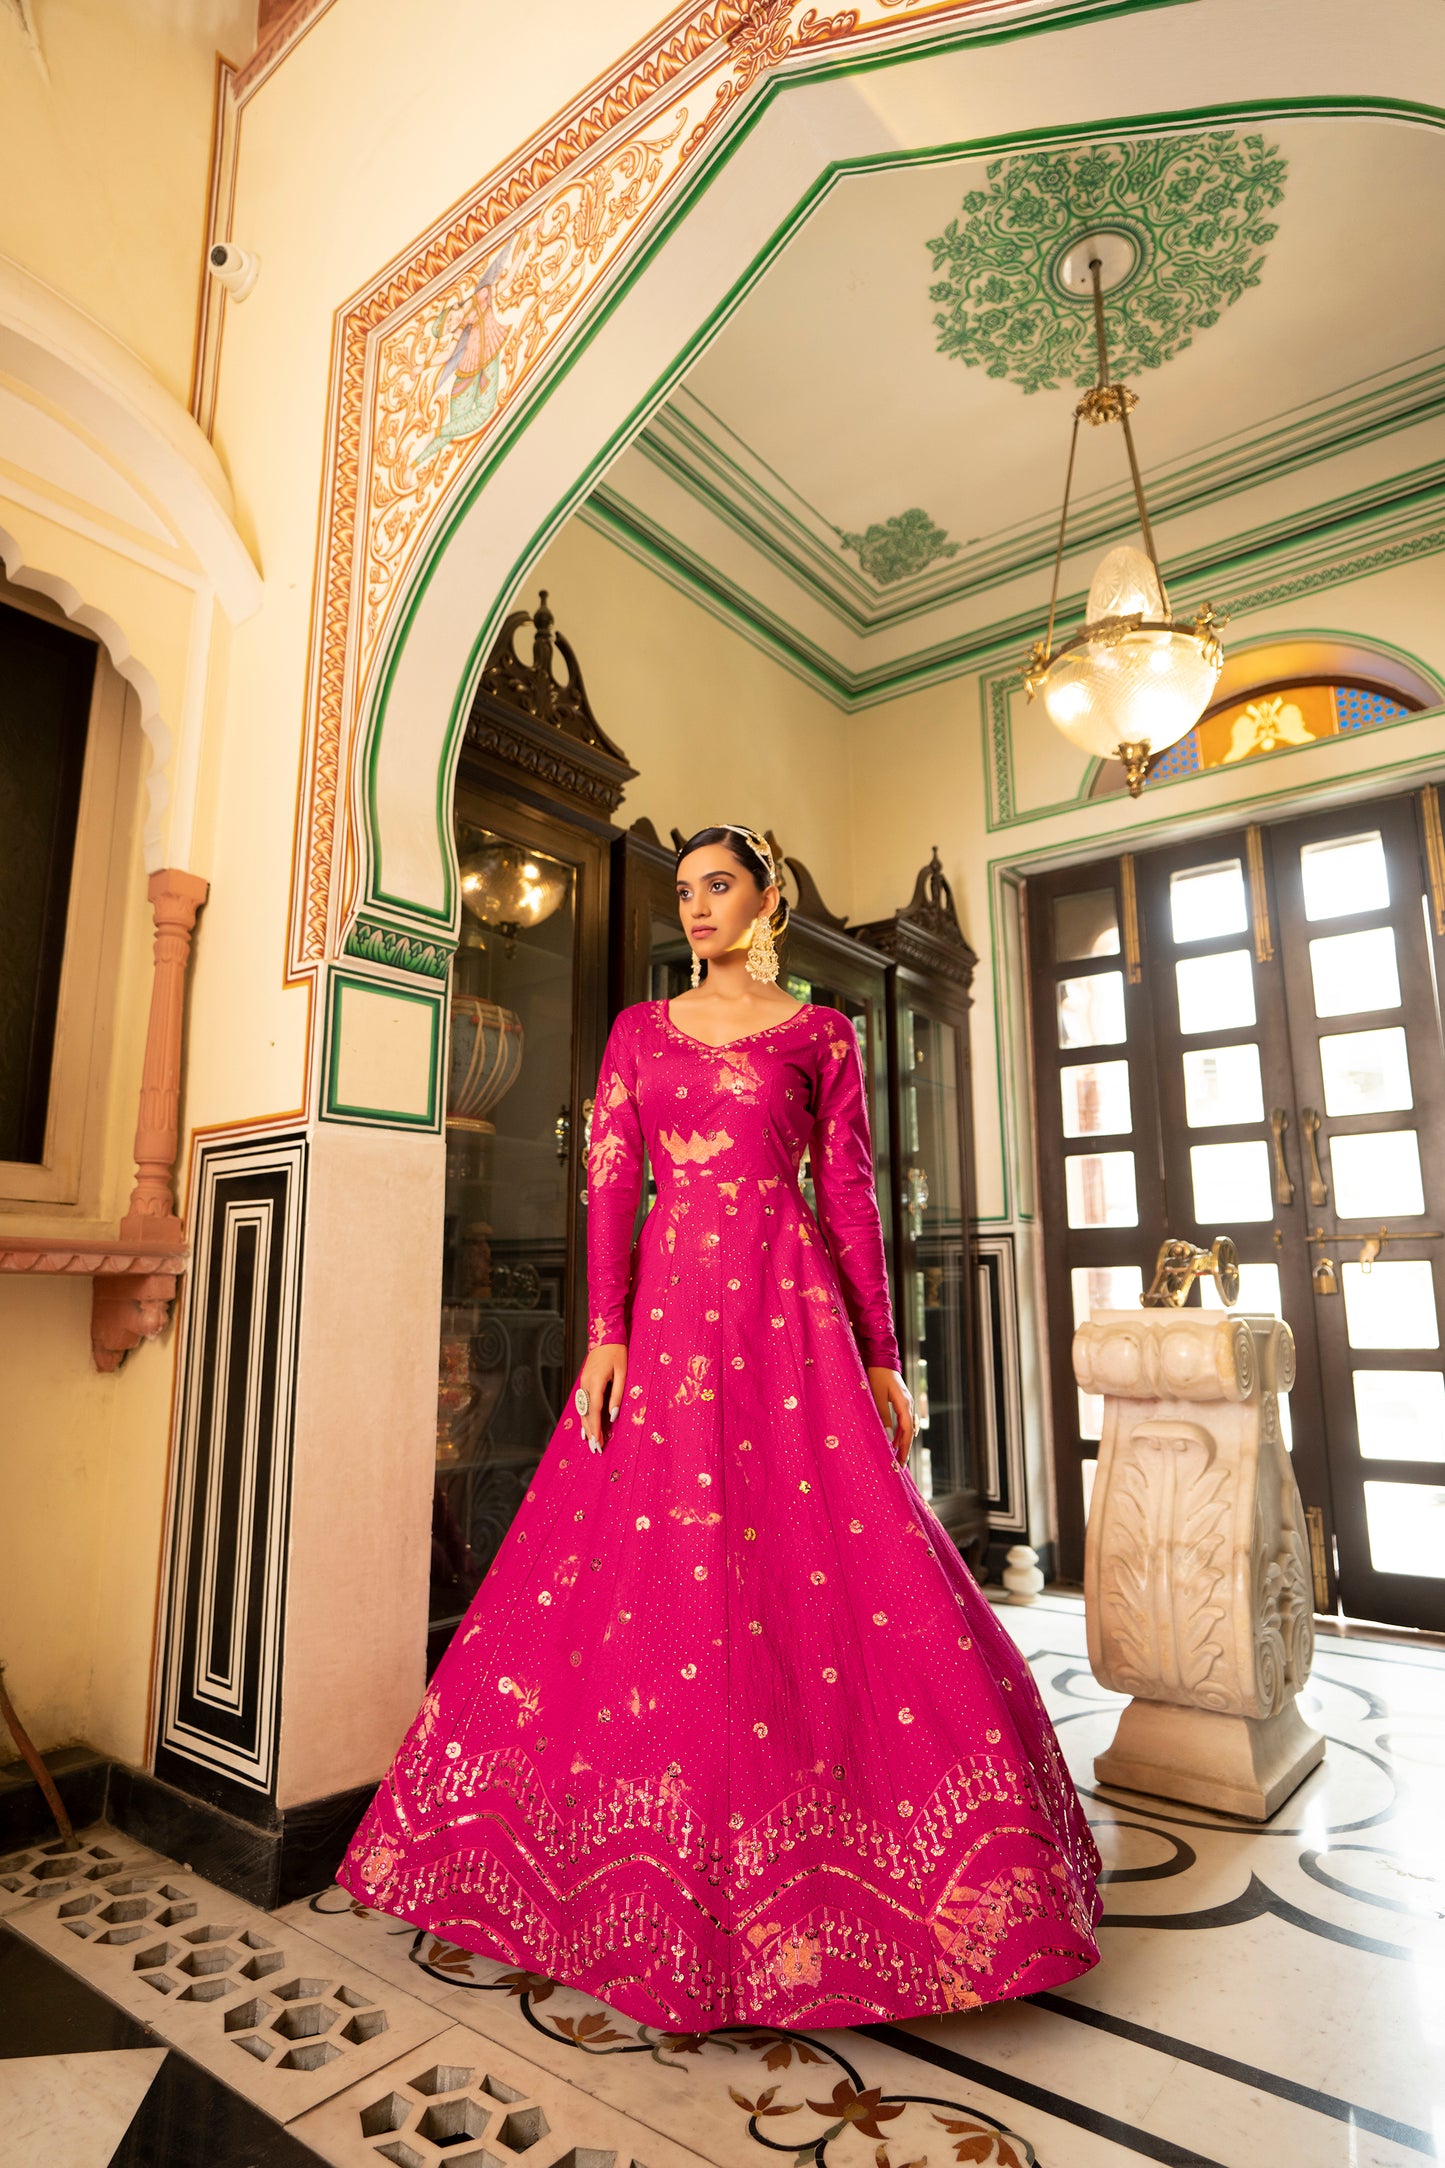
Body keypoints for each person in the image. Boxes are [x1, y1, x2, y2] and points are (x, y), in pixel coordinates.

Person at [339, 823, 1101, 2028]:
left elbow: (845, 1189)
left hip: (787, 1306)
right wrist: (604, 1330)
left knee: (823, 1561)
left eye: (717, 887)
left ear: (764, 898)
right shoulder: (640, 1033)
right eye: (686, 890)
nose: (695, 908)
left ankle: (859, 1878)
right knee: (648, 1567)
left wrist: (880, 1351)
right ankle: (609, 1873)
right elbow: (607, 1176)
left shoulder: (818, 1032)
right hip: (671, 1302)